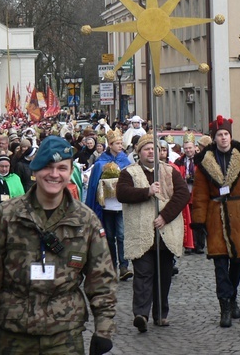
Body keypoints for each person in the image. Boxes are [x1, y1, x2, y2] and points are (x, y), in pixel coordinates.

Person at [0, 135, 117, 355]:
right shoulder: (8, 215)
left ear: (70, 173)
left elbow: (101, 278)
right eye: (48, 167)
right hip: (13, 332)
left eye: (62, 168)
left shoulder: (86, 220)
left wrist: (104, 329)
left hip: (64, 333)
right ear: (35, 170)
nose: (55, 174)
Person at [191, 115, 240, 327]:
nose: (223, 138)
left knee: (238, 263)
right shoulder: (206, 162)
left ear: (230, 137)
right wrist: (198, 221)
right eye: (219, 135)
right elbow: (200, 194)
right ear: (214, 138)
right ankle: (224, 305)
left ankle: (233, 297)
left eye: (226, 134)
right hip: (216, 217)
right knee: (220, 265)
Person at [116, 134, 189, 332]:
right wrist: (146, 192)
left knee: (164, 276)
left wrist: (165, 216)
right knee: (143, 274)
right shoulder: (128, 173)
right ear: (139, 152)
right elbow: (122, 193)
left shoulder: (169, 172)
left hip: (165, 233)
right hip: (140, 233)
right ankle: (141, 314)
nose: (151, 152)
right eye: (146, 149)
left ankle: (160, 314)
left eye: (154, 149)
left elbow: (183, 195)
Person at [85, 128, 133, 281]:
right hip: (106, 206)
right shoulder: (100, 163)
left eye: (121, 143)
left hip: (120, 205)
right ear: (110, 145)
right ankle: (112, 265)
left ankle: (124, 266)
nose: (120, 146)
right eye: (117, 143)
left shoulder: (125, 161)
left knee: (121, 235)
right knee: (109, 236)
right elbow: (94, 184)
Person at [175, 132, 203, 254]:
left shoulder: (201, 160)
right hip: (185, 195)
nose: (188, 150)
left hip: (198, 194)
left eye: (190, 148)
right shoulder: (179, 161)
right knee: (187, 220)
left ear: (195, 147)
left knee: (198, 219)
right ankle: (188, 245)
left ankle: (199, 245)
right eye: (186, 148)